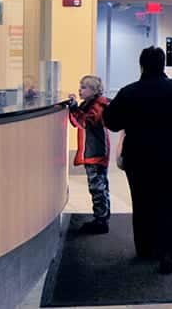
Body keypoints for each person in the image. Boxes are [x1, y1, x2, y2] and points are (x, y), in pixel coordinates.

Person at [103, 46, 172, 275]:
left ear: (141, 65)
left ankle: (145, 248)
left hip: (139, 156)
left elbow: (112, 121)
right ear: (163, 64)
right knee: (168, 201)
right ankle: (166, 253)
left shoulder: (129, 92)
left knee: (142, 200)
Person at [68, 75, 111, 234]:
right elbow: (77, 122)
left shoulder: (98, 106)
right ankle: (102, 216)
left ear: (94, 91)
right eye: (80, 86)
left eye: (84, 87)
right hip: (92, 151)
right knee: (99, 185)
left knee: (97, 187)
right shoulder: (87, 104)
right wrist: (74, 108)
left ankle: (101, 220)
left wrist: (74, 109)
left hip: (97, 152)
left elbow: (85, 121)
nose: (80, 89)